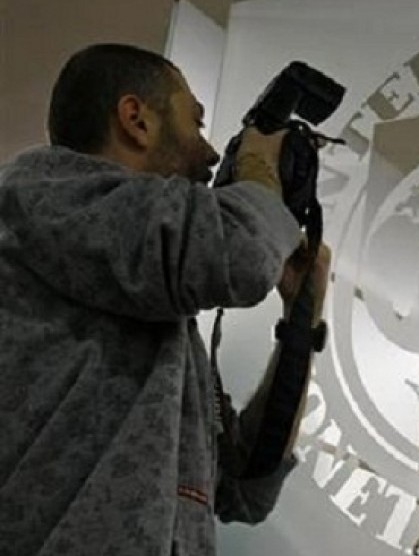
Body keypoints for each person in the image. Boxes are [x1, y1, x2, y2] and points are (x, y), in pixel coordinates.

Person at [0, 43, 329, 555]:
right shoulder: (44, 198)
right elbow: (239, 253)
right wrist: (261, 169)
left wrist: (301, 316)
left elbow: (245, 490)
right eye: (196, 124)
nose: (213, 153)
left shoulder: (145, 296)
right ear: (136, 120)